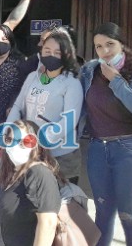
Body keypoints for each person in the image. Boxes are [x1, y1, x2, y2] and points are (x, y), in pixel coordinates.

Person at [80, 22, 132, 246]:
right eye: (99, 46)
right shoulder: (90, 70)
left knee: (129, 216)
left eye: (110, 44)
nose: (105, 51)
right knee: (102, 214)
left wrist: (117, 81)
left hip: (130, 149)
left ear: (122, 43)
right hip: (97, 149)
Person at [7, 29, 83, 184]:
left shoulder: (71, 83)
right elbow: (17, 107)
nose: (51, 55)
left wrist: (43, 140)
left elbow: (69, 121)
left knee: (58, 203)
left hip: (60, 157)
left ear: (67, 55)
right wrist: (10, 131)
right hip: (30, 151)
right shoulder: (32, 78)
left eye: (57, 52)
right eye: (47, 50)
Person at [0, 120, 61, 246]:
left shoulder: (39, 173)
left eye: (25, 142)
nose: (15, 146)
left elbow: (48, 223)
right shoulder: (13, 174)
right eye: (9, 140)